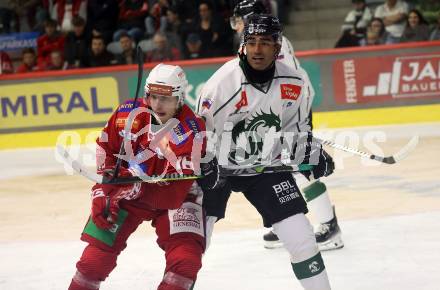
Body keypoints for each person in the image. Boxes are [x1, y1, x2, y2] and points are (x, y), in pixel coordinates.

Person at [197, 14, 333, 290]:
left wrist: (310, 155)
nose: (258, 50)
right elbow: (198, 137)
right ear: (243, 45)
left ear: (278, 46)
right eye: (252, 42)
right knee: (192, 245)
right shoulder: (221, 85)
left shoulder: (294, 83)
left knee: (303, 240)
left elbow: (297, 134)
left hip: (264, 170)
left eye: (265, 42)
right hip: (216, 171)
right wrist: (203, 166)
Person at [68, 63, 210, 290]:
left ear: (180, 98)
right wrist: (101, 192)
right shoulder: (126, 114)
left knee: (185, 261)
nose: (157, 104)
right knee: (92, 262)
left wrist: (131, 184)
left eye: (165, 98)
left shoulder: (193, 129)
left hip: (174, 200)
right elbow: (105, 150)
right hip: (128, 193)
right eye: (152, 96)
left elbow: (167, 180)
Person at [229, 0, 343, 251]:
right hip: (277, 112)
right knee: (274, 167)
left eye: (239, 19)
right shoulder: (255, 41)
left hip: (291, 111)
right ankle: (286, 220)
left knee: (303, 165)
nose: (235, 24)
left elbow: (290, 87)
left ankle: (329, 224)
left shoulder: (272, 42)